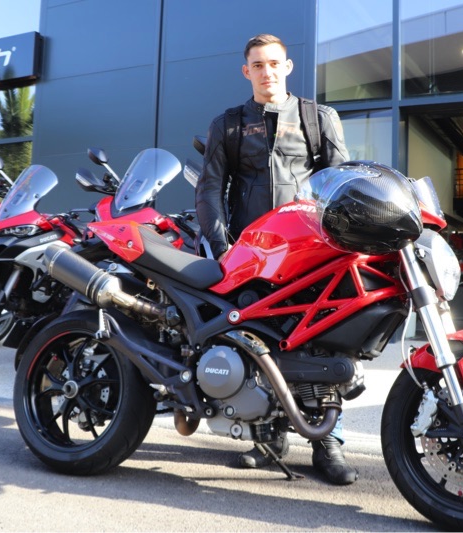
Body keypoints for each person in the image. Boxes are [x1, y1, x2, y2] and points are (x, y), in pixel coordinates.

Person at [195, 34, 357, 485]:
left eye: (274, 64)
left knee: (323, 343)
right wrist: (221, 245)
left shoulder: (318, 117)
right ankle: (267, 440)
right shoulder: (227, 124)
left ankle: (328, 443)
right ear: (246, 72)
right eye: (257, 65)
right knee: (257, 342)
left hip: (310, 251)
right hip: (252, 256)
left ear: (288, 66)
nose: (267, 72)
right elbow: (210, 188)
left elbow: (339, 182)